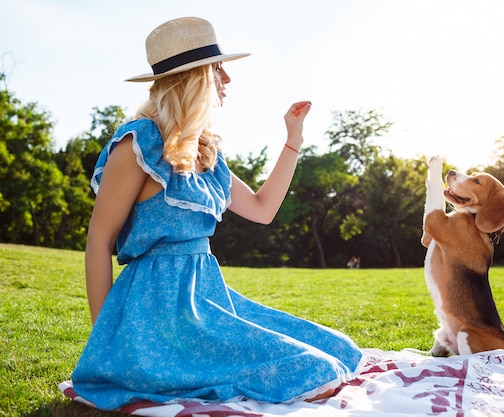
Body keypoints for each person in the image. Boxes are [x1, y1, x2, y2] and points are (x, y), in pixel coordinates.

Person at [71, 17, 362, 411]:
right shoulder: (136, 144)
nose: (227, 78)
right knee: (315, 371)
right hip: (156, 311)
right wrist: (103, 339)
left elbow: (262, 210)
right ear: (193, 78)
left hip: (208, 299)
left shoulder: (205, 151)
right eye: (218, 68)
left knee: (340, 349)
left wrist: (293, 140)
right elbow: (98, 242)